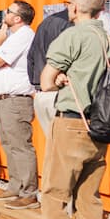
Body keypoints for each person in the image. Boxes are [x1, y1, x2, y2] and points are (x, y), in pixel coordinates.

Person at [28, 0, 110, 219]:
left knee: (53, 197)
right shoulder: (108, 40)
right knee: (89, 202)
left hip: (71, 123)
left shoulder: (72, 36)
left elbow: (46, 79)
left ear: (75, 8)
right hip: (101, 127)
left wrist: (61, 79)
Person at [0, 0, 39, 209]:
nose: (4, 13)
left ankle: (29, 192)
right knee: (10, 144)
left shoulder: (24, 35)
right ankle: (16, 186)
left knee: (20, 146)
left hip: (15, 99)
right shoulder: (14, 37)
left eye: (8, 11)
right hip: (5, 99)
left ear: (17, 18)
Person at [27, 7, 71, 135]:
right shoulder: (71, 26)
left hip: (42, 93)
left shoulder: (46, 23)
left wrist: (36, 83)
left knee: (53, 145)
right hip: (60, 92)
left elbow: (31, 57)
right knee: (66, 146)